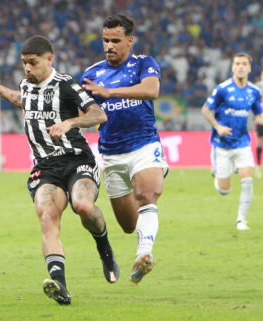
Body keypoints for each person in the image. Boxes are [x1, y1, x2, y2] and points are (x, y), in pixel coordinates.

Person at [0, 35, 119, 305]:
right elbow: (23, 100)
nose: (27, 68)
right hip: (45, 166)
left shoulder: (66, 85)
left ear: (49, 59)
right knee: (47, 215)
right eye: (24, 63)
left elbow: (98, 114)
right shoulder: (26, 85)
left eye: (33, 62)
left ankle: (105, 248)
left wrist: (70, 123)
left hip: (76, 159)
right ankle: (60, 286)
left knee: (83, 206)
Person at [80, 15, 168, 284]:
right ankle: (135, 247)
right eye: (105, 40)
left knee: (147, 195)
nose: (109, 45)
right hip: (112, 153)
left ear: (130, 41)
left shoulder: (144, 64)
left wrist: (110, 93)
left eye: (115, 41)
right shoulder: (91, 74)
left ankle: (144, 255)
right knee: (129, 225)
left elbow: (151, 90)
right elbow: (82, 111)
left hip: (144, 144)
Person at [201, 53, 263, 231]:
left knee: (248, 181)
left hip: (242, 143)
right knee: (224, 190)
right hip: (221, 145)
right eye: (237, 64)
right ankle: (218, 172)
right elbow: (205, 110)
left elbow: (258, 114)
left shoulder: (253, 91)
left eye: (244, 64)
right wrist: (218, 127)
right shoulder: (222, 89)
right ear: (232, 67)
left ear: (249, 68)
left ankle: (241, 220)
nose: (240, 67)